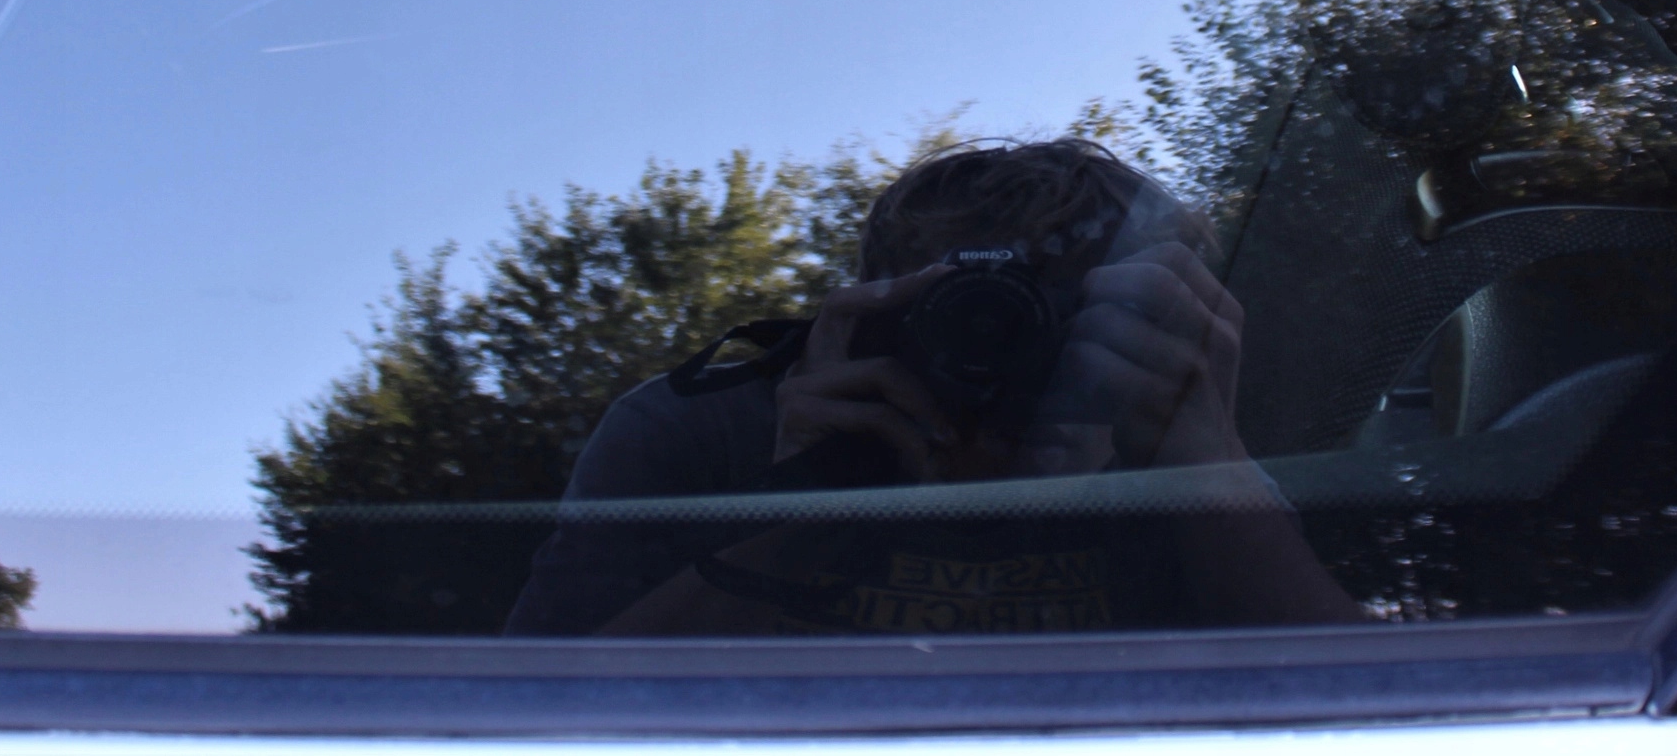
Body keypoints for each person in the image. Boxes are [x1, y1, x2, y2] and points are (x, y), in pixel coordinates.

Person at [503, 138, 1362, 635]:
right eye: (965, 311)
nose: (1009, 351)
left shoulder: (1180, 441)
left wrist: (1210, 475)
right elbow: (536, 718)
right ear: (873, 314)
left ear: (1159, 329)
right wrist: (805, 507)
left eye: (1066, 319)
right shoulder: (704, 429)